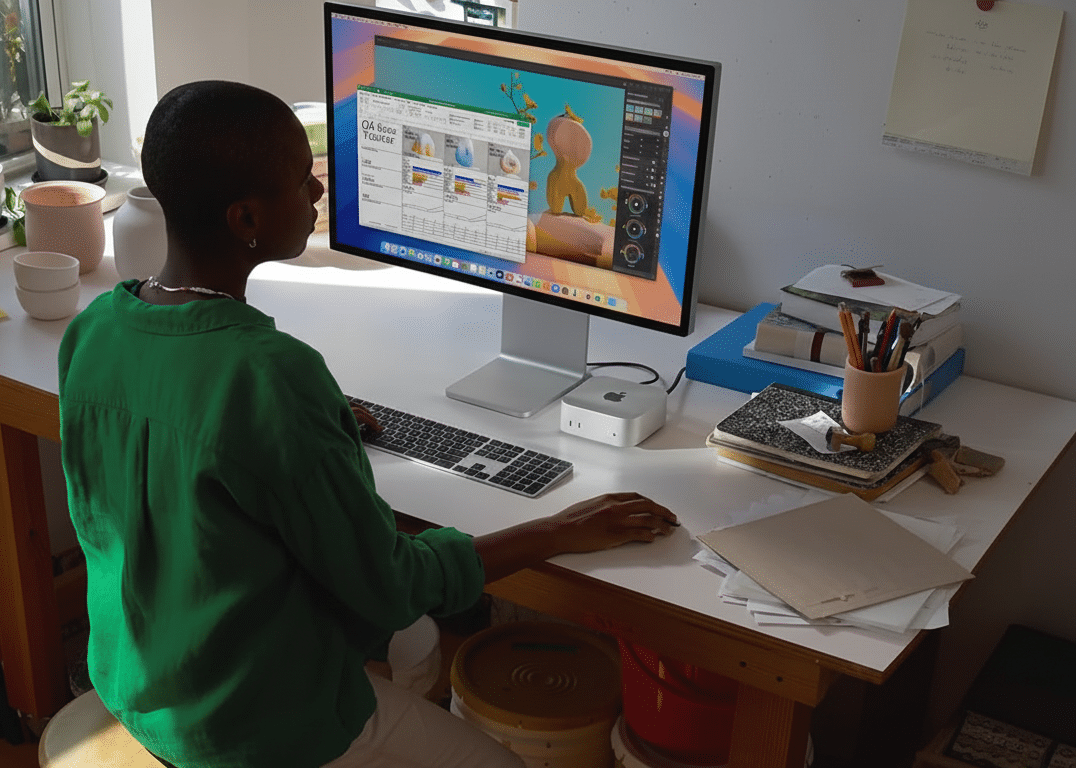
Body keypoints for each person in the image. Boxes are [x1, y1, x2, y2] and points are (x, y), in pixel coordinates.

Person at [57, 80, 679, 768]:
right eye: (302, 180)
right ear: (245, 219)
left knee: (412, 647)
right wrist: (558, 529)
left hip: (143, 681)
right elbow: (390, 584)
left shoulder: (95, 332)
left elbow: (192, 457)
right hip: (249, 725)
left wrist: (316, 429)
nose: (319, 193)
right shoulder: (270, 376)